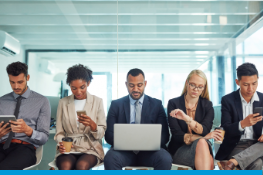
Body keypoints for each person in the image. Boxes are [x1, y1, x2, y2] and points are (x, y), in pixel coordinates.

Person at [104, 68, 172, 170]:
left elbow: (165, 136)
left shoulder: (156, 105)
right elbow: (109, 135)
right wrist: (128, 142)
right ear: (126, 84)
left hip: (150, 153)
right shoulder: (116, 105)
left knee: (165, 158)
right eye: (131, 85)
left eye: (139, 85)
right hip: (124, 152)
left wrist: (147, 143)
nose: (135, 89)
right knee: (110, 158)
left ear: (145, 83)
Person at [54, 64, 106, 170]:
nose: (78, 92)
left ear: (88, 83)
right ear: (69, 86)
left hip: (90, 148)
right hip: (69, 147)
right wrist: (61, 143)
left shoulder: (97, 102)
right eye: (74, 88)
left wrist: (92, 125)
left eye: (82, 87)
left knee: (82, 166)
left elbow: (101, 133)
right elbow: (59, 132)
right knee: (65, 166)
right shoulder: (63, 103)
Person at [0, 62, 51, 170]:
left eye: (20, 82)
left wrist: (28, 130)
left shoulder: (42, 101)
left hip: (25, 148)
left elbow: (44, 138)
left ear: (27, 77)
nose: (16, 86)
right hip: (1, 145)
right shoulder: (2, 101)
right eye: (12, 82)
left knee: (4, 169)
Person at [168, 69, 221, 170]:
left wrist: (187, 119)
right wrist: (204, 138)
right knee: (205, 150)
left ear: (204, 88)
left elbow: (205, 130)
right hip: (180, 149)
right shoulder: (173, 103)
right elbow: (177, 135)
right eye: (193, 85)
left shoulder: (208, 105)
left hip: (202, 147)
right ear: (186, 83)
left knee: (202, 144)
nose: (196, 89)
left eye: (200, 86)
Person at [216, 63, 263, 170]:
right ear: (237, 82)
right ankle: (236, 160)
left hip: (258, 144)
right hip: (237, 145)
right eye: (246, 85)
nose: (250, 89)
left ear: (258, 79)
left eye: (254, 83)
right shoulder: (228, 100)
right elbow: (226, 129)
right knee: (257, 163)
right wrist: (242, 124)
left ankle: (233, 161)